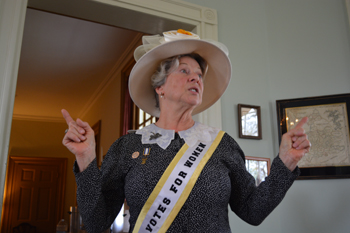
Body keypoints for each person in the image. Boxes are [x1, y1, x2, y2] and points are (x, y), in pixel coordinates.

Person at [62, 30, 311, 233]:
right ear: (160, 87)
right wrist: (85, 160)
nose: (196, 79)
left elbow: (252, 212)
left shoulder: (222, 144)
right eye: (184, 71)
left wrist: (285, 163)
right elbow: (96, 222)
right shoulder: (127, 146)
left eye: (199, 75)